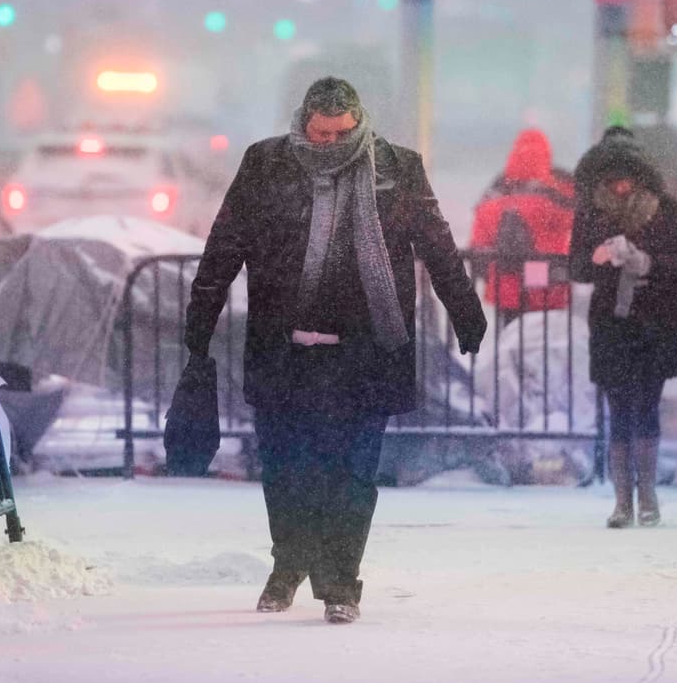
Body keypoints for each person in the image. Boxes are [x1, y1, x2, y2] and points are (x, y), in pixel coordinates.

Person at [183, 77, 486, 624]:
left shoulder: (396, 167)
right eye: (319, 134)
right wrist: (199, 321)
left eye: (340, 135)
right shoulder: (266, 164)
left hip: (366, 352)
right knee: (284, 468)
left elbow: (437, 247)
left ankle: (341, 581)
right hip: (284, 348)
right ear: (303, 122)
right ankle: (288, 566)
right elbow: (225, 244)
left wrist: (465, 311)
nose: (328, 145)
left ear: (359, 123)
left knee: (351, 473)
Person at [569, 132, 677, 528]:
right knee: (618, 410)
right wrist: (600, 258)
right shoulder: (591, 214)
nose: (620, 185)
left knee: (648, 407)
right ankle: (623, 501)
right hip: (611, 325)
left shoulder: (664, 210)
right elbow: (577, 267)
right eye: (611, 178)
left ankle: (647, 495)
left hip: (656, 322)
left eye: (626, 177)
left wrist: (646, 263)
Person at [469, 128, 575, 329]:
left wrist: (488, 274)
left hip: (506, 283)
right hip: (548, 283)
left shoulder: (496, 193)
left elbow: (478, 244)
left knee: (511, 344)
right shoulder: (561, 190)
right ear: (547, 154)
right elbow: (577, 228)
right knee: (544, 346)